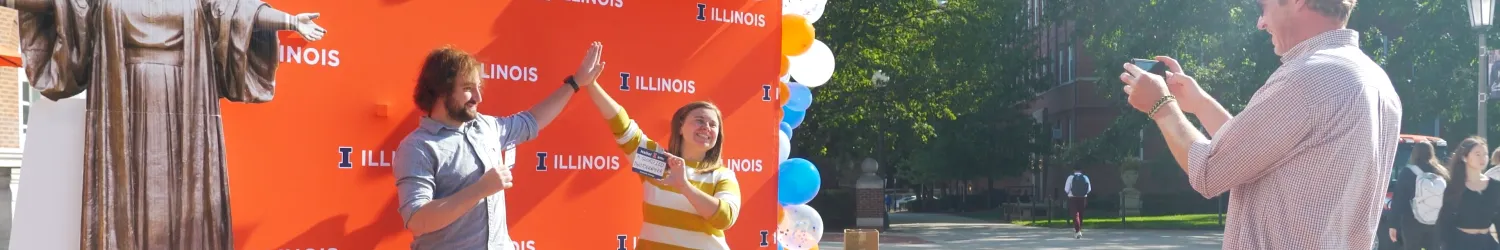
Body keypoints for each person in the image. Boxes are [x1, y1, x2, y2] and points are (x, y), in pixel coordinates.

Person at [5, 0, 325, 248]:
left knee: (187, 210)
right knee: (122, 208)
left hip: (186, 111)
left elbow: (238, 12)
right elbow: (59, 5)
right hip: (123, 108)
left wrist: (289, 21)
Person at [1116, 0, 1400, 248]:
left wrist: (1162, 107)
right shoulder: (1378, 83)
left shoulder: (1308, 76)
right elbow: (1252, 154)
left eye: (1263, 6)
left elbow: (1209, 171)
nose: (1260, 22)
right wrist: (1200, 102)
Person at [393, 43, 606, 249]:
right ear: (441, 92)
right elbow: (417, 219)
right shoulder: (417, 147)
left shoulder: (486, 126)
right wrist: (480, 189)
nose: (478, 97)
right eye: (468, 88)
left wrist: (575, 83)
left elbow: (532, 120)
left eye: (478, 87)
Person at [580, 53, 742, 249]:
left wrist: (684, 186)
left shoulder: (722, 175)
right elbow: (622, 126)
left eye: (713, 124)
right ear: (680, 128)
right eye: (699, 120)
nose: (706, 127)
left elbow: (725, 218)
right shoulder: (659, 162)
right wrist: (591, 85)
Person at [1437, 137, 1500, 249]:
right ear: (1465, 157)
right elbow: (1445, 221)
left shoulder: (1494, 186)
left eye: (1485, 154)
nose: (1483, 158)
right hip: (1460, 243)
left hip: (1487, 243)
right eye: (1477, 154)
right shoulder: (1454, 186)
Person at [1391, 141, 1449, 250]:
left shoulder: (1407, 172)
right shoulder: (1441, 172)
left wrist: (1394, 224)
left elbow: (1399, 200)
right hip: (1436, 222)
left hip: (1412, 222)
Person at [1063, 168, 1091, 239]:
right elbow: (1089, 189)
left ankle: (1078, 231)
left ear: (1074, 170)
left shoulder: (1070, 177)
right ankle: (1078, 229)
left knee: (1075, 214)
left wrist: (1070, 192)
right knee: (1081, 214)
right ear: (1081, 170)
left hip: (1073, 198)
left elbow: (1066, 189)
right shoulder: (1085, 177)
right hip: (1083, 198)